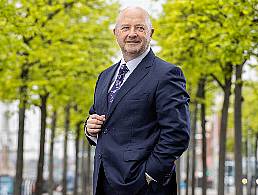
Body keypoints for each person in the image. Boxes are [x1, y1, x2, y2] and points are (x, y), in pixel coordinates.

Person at [84, 6, 190, 195]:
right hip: (104, 182)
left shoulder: (167, 74)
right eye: (125, 28)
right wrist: (89, 128)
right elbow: (99, 118)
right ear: (115, 33)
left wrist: (149, 175)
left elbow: (177, 134)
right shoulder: (105, 76)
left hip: (144, 186)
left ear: (151, 33)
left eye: (139, 28)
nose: (132, 34)